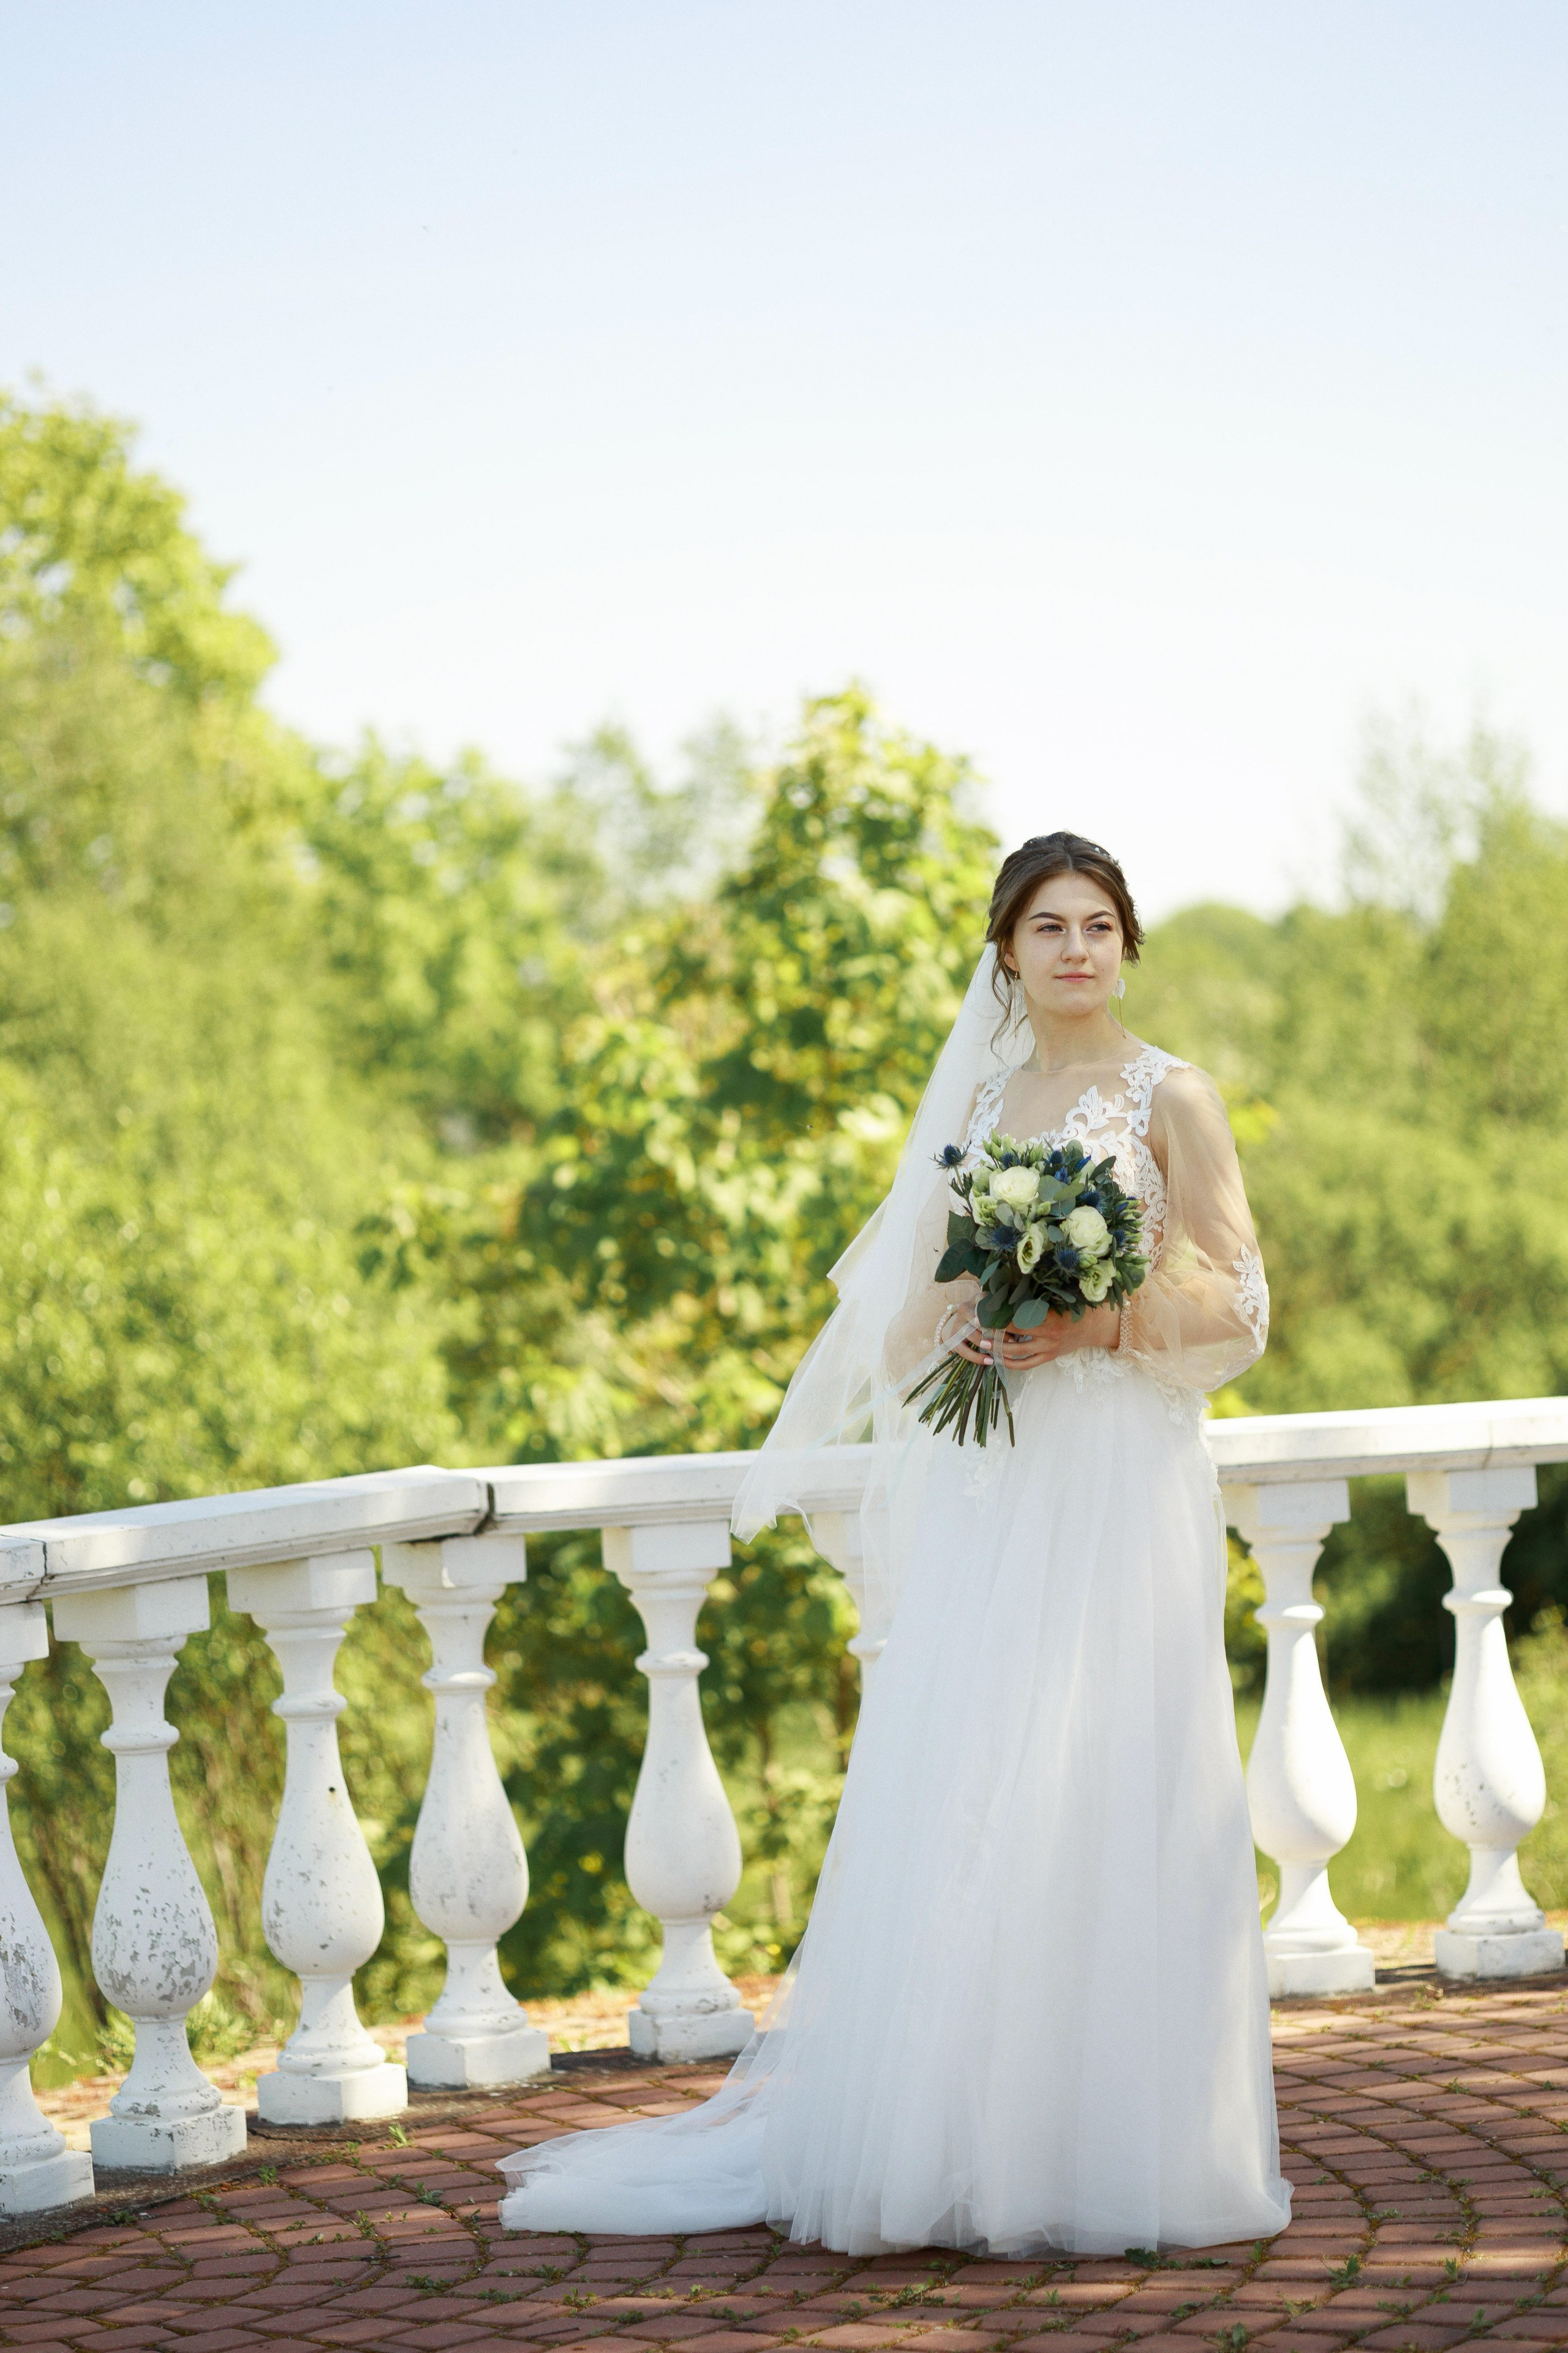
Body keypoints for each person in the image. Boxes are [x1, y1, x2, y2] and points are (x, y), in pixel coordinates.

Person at [498, 831, 1291, 2257]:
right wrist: (983, 1321)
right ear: (1003, 951)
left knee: (1117, 1770)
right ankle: (974, 2141)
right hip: (1007, 1488)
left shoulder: (1173, 1094)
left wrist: (1096, 1324)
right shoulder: (982, 1100)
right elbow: (913, 1316)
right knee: (987, 1775)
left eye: (1097, 923)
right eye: (1044, 924)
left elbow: (1238, 1310)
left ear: (1126, 944)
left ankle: (1132, 2147)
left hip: (1117, 1476)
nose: (1073, 948)